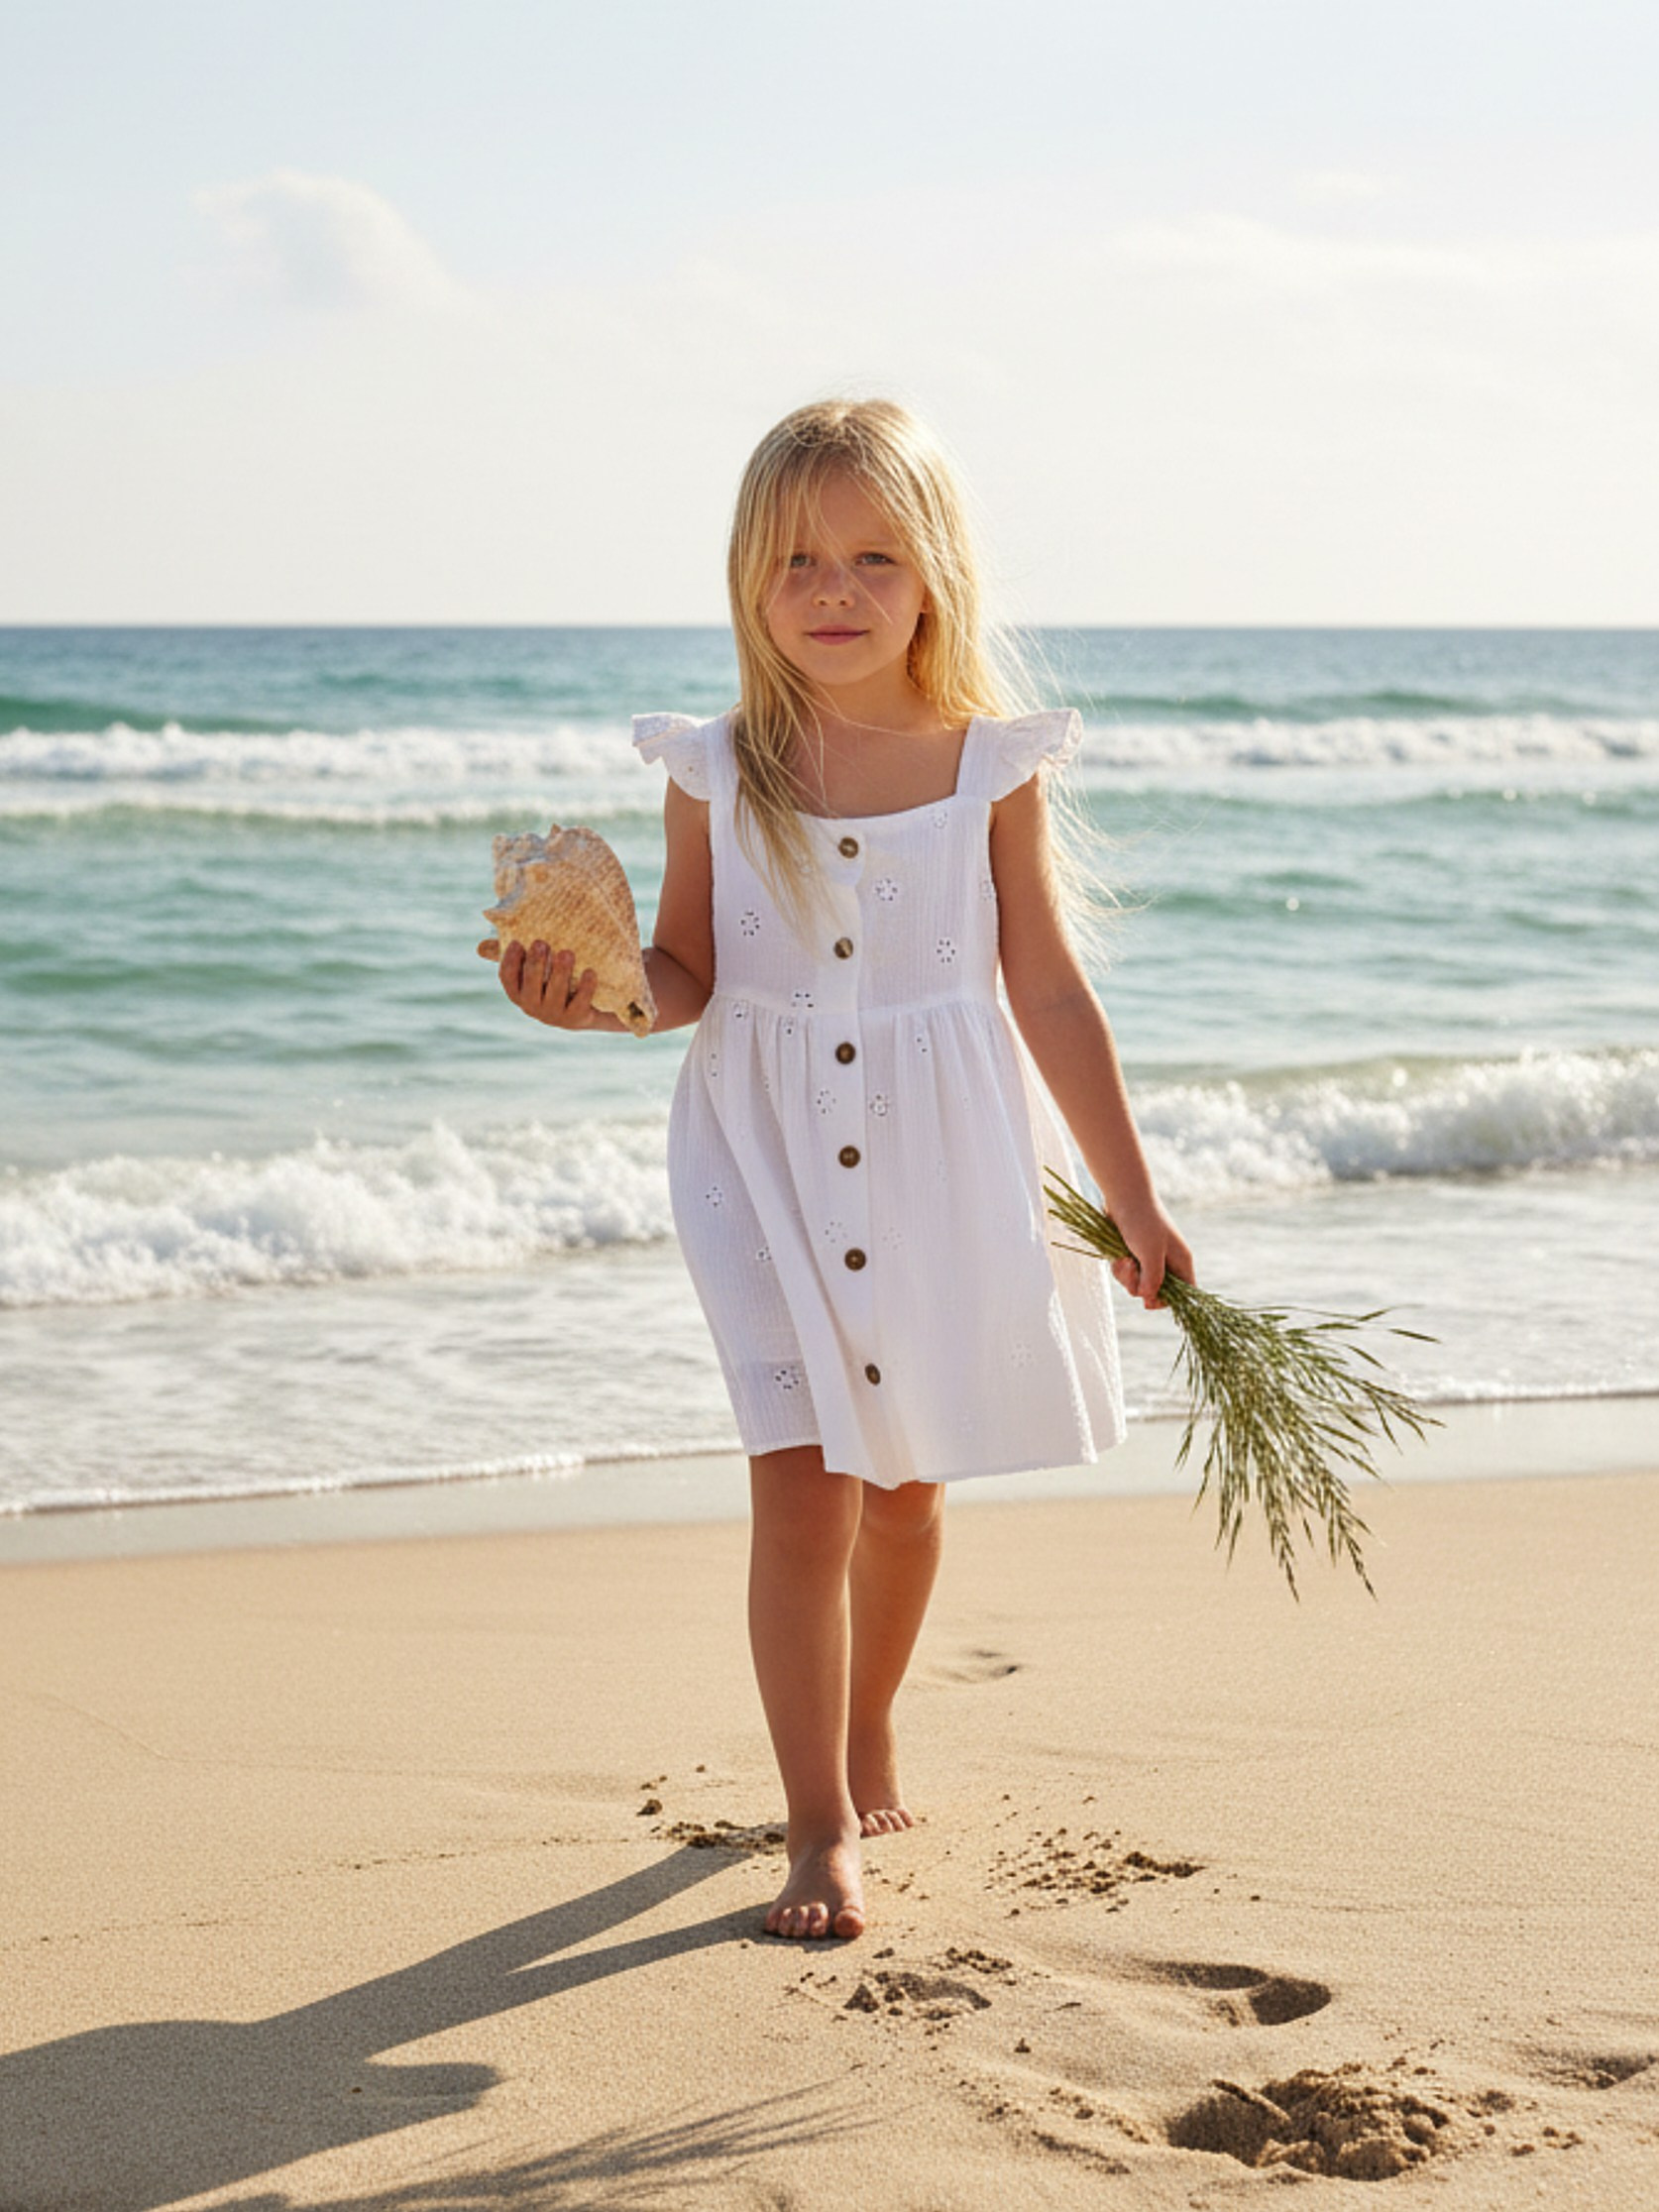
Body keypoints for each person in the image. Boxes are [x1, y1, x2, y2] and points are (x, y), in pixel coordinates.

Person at [480, 397, 1193, 1943]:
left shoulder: (986, 767)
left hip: (943, 1155)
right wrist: (592, 996)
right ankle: (815, 1828)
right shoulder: (716, 767)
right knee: (803, 1487)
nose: (835, 589)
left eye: (874, 556)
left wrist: (1130, 1194)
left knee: (908, 1485)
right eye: (799, 558)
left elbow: (1049, 991)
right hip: (759, 1153)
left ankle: (871, 1727)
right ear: (750, 578)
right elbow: (679, 973)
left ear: (935, 574)